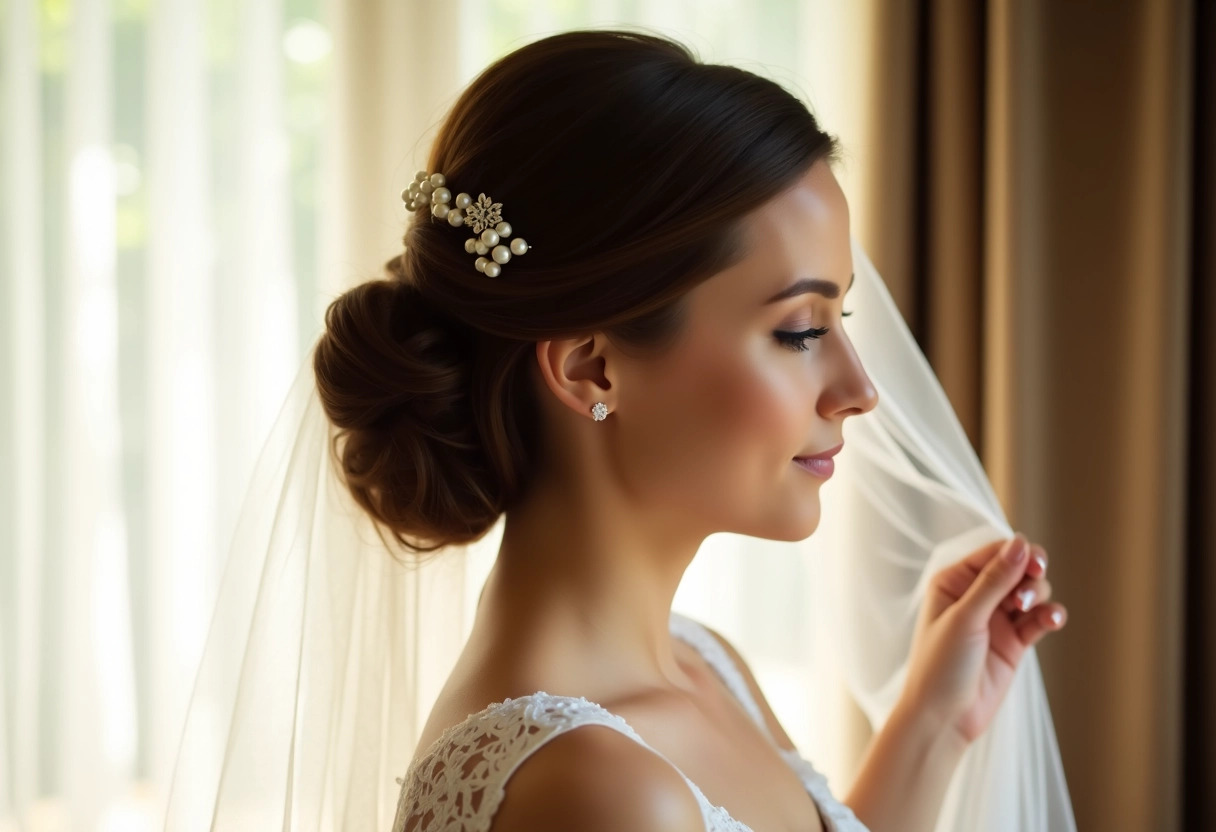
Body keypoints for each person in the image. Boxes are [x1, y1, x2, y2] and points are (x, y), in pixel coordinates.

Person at [163, 27, 1075, 832]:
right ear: (590, 368)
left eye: (843, 324)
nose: (859, 388)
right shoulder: (596, 789)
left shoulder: (704, 666)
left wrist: (933, 724)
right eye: (799, 331)